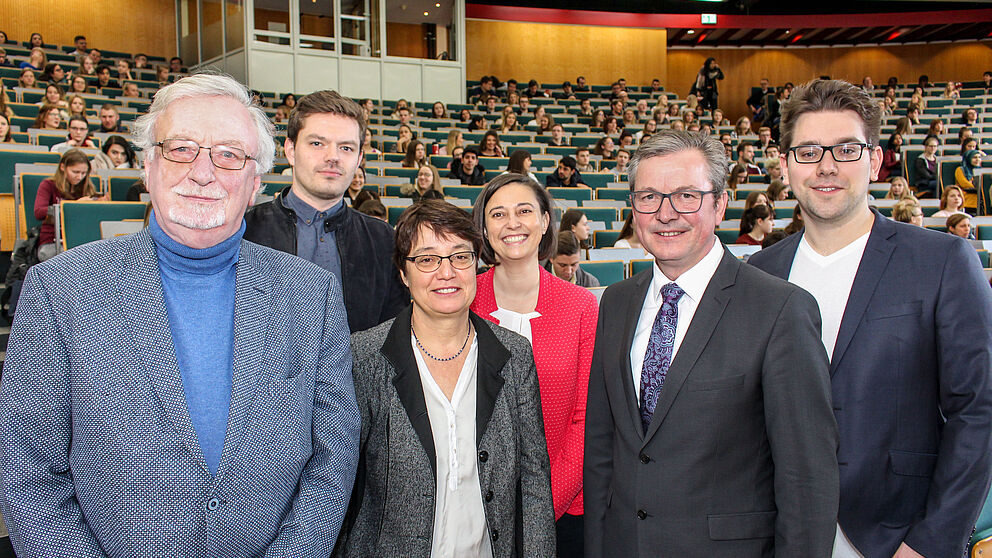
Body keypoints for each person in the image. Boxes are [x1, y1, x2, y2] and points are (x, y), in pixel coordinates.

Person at [3, 72, 362, 557]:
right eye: (181, 149)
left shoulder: (310, 293)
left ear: (255, 183)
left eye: (229, 155)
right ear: (148, 167)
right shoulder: (59, 290)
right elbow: (32, 480)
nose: (202, 172)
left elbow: (331, 459)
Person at [749, 79, 992, 558]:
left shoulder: (943, 261)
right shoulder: (759, 273)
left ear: (876, 160)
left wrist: (929, 542)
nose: (826, 166)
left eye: (846, 149)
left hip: (896, 537)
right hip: (781, 536)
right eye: (808, 150)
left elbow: (979, 411)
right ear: (785, 164)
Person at [585, 130, 838, 557]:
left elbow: (806, 478)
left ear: (720, 204)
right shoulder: (616, 302)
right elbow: (603, 450)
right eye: (648, 197)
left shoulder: (781, 309)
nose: (666, 213)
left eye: (686, 196)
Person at [339, 200, 556, 557]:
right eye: (426, 259)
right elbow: (340, 482)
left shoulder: (514, 355)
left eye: (460, 256)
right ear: (404, 273)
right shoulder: (364, 356)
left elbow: (533, 481)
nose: (446, 272)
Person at [470, 174, 599, 557]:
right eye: (498, 214)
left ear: (544, 222)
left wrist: (541, 505)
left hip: (564, 509)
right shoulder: (463, 300)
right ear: (484, 228)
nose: (512, 223)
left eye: (524, 211)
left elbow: (586, 419)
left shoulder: (581, 306)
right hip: (473, 506)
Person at [244, 91, 409, 334]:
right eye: (317, 143)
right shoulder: (246, 231)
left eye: (346, 147)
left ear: (359, 158)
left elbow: (392, 333)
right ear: (290, 150)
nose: (333, 157)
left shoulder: (383, 239)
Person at [32, 149, 100, 260]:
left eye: (83, 173)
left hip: (81, 241)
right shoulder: (48, 185)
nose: (79, 177)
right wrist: (74, 206)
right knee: (75, 259)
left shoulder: (88, 188)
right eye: (75, 172)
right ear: (63, 167)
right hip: (52, 241)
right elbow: (39, 212)